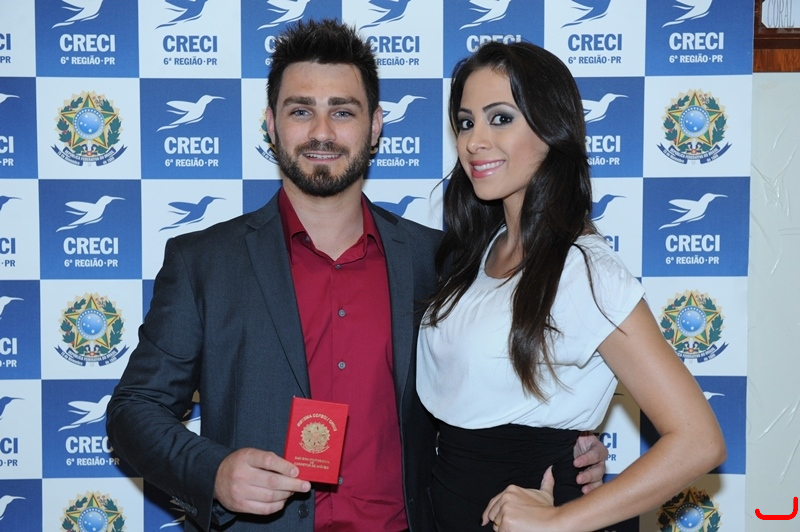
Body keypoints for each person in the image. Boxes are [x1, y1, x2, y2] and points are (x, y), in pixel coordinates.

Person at [106, 20, 608, 532]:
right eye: (301, 111)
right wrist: (213, 472)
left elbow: (490, 386)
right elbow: (134, 409)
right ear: (271, 125)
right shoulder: (204, 262)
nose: (322, 132)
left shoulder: (440, 261)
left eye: (343, 112)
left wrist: (562, 446)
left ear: (375, 127)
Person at [416, 40, 727, 531]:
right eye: (466, 122)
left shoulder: (585, 270)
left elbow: (699, 441)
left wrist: (558, 522)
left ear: (551, 129)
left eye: (501, 118)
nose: (475, 140)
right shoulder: (476, 252)